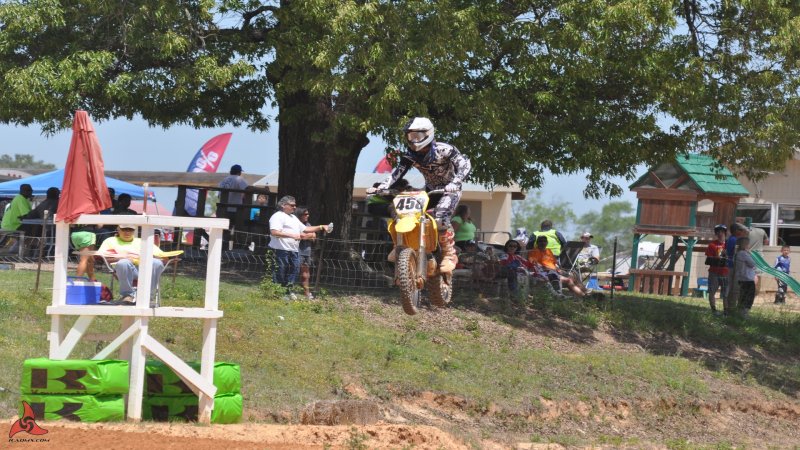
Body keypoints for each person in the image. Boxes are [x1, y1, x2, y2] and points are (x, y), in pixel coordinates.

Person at [366, 117, 472, 273]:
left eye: (418, 136)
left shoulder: (445, 149)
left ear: (428, 134)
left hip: (450, 190)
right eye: (411, 136)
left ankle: (449, 254)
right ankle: (399, 245)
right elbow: (397, 173)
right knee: (406, 212)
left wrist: (456, 182)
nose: (414, 140)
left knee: (440, 217)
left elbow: (465, 164)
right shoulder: (410, 155)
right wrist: (382, 187)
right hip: (430, 190)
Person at [268, 196, 329, 300]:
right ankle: (278, 293)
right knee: (280, 271)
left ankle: (288, 291)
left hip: (294, 250)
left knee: (294, 271)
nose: (294, 207)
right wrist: (292, 235)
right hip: (280, 250)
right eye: (292, 205)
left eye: (295, 205)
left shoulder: (293, 217)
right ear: (283, 205)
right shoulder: (277, 216)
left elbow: (305, 229)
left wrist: (321, 227)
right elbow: (274, 232)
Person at [96, 225, 168, 305]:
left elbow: (163, 257)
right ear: (118, 230)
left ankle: (147, 297)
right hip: (123, 269)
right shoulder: (110, 241)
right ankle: (127, 295)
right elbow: (103, 258)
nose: (127, 232)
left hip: (144, 269)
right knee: (124, 262)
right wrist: (123, 257)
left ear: (134, 230)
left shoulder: (143, 241)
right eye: (124, 229)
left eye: (130, 229)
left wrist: (146, 257)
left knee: (156, 263)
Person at [724, 223, 749, 315]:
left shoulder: (730, 239)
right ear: (736, 231)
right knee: (734, 289)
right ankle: (731, 308)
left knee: (730, 288)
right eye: (740, 230)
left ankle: (729, 308)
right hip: (733, 267)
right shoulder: (735, 240)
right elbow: (737, 253)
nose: (742, 232)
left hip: (730, 265)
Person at [705, 224, 729, 315]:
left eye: (722, 232)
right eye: (718, 232)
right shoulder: (712, 245)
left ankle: (726, 311)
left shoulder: (729, 244)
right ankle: (714, 310)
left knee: (726, 293)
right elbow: (709, 259)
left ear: (725, 233)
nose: (720, 233)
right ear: (716, 233)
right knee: (712, 292)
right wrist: (717, 258)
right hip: (714, 272)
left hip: (726, 272)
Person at [295, 207, 317, 299]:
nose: (307, 215)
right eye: (305, 214)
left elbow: (314, 236)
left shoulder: (308, 224)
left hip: (307, 252)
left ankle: (307, 293)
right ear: (299, 215)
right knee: (294, 272)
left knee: (306, 274)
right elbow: (300, 236)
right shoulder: (295, 223)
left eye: (308, 214)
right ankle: (290, 291)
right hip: (297, 251)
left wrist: (308, 235)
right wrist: (309, 235)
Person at [734, 237, 756, 316]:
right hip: (747, 278)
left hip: (742, 278)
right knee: (749, 296)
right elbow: (752, 264)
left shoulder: (738, 253)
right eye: (748, 244)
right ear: (745, 245)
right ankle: (744, 312)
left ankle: (740, 311)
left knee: (743, 295)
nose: (749, 245)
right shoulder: (744, 253)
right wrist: (749, 254)